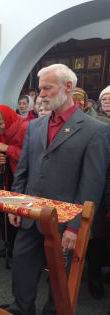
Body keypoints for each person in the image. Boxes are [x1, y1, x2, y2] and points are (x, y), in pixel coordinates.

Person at [0, 64, 110, 315]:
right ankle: (21, 309)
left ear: (67, 87)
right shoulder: (36, 126)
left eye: (47, 88)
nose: (41, 95)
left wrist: (76, 226)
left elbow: (91, 183)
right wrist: (15, 204)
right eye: (40, 90)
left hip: (64, 222)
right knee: (23, 268)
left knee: (60, 281)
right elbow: (23, 170)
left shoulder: (96, 131)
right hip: (30, 215)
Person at [0, 104, 29, 258]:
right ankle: (9, 244)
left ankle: (20, 249)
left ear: (8, 119)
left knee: (20, 211)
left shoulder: (24, 127)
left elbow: (29, 156)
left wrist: (8, 149)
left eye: (0, 124)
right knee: (9, 209)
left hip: (23, 176)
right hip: (8, 174)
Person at [84, 85, 110, 299]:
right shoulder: (94, 123)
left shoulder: (100, 125)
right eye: (105, 99)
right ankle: (89, 275)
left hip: (102, 189)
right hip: (87, 189)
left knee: (98, 238)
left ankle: (97, 275)